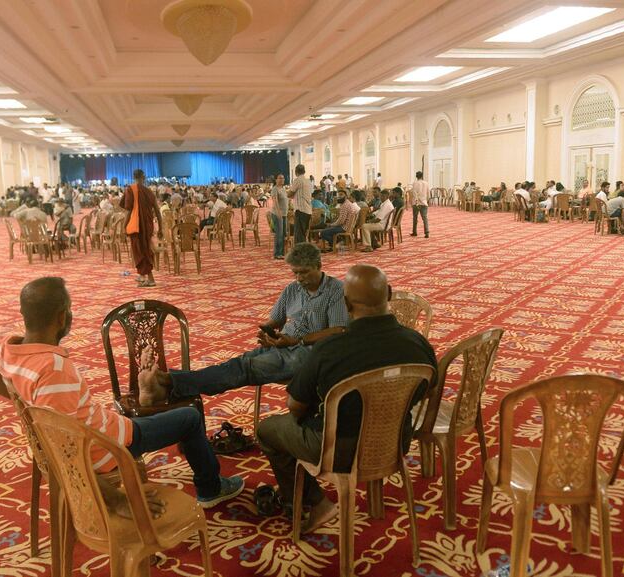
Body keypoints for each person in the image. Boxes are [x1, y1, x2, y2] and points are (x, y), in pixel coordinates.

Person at [0, 277, 243, 510]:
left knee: (159, 419)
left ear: (25, 315)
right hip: (110, 445)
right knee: (189, 418)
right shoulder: (54, 369)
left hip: (101, 426)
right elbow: (67, 450)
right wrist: (118, 501)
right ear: (62, 318)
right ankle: (211, 489)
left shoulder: (5, 348)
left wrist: (28, 406)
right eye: (69, 311)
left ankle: (148, 398)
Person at [256, 265, 437, 529]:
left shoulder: (330, 349)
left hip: (338, 451)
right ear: (388, 293)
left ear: (345, 303)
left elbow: (294, 407)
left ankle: (316, 502)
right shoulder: (418, 344)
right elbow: (428, 391)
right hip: (395, 442)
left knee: (268, 430)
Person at [136, 243, 348, 403]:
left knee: (246, 367)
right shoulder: (293, 289)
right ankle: (166, 384)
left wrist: (297, 340)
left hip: (310, 353)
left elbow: (338, 330)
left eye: (304, 272)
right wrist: (267, 331)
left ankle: (167, 382)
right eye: (295, 272)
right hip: (283, 345)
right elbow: (275, 320)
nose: (299, 278)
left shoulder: (334, 289)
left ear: (319, 266)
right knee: (239, 363)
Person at [123, 169, 162, 288]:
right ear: (143, 177)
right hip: (148, 226)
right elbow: (157, 211)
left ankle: (151, 279)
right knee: (145, 249)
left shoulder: (131, 189)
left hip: (136, 226)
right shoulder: (149, 192)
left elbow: (129, 211)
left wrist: (124, 226)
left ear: (133, 177)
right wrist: (161, 228)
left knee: (140, 252)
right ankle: (142, 276)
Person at [288, 164, 313, 244]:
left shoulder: (298, 180)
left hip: (300, 210)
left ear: (296, 172)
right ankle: (303, 251)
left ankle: (300, 253)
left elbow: (290, 194)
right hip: (308, 210)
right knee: (304, 233)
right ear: (304, 171)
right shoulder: (308, 181)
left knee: (299, 235)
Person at [270, 174, 288, 260]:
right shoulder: (275, 189)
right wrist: (278, 212)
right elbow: (275, 201)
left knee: (283, 233)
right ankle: (277, 253)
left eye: (283, 178)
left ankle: (282, 252)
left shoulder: (283, 189)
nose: (282, 179)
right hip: (278, 214)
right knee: (279, 234)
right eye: (280, 178)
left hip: (284, 214)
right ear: (276, 180)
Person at [410, 171, 429, 238]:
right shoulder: (426, 183)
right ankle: (427, 232)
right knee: (425, 218)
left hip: (416, 203)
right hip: (424, 203)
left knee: (415, 218)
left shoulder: (415, 183)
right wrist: (426, 201)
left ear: (416, 176)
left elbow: (414, 194)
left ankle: (414, 232)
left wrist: (416, 203)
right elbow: (428, 193)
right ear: (422, 176)